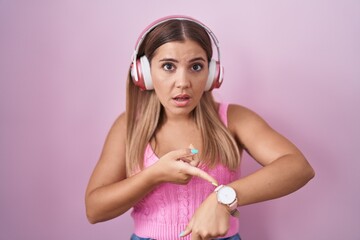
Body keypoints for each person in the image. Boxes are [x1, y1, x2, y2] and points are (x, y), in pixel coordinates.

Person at [85, 15, 315, 240]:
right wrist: (154, 175)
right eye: (168, 66)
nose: (183, 82)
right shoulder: (127, 127)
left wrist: (223, 199)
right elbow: (95, 210)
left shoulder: (234, 119)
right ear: (144, 73)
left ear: (212, 74)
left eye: (196, 67)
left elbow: (298, 167)